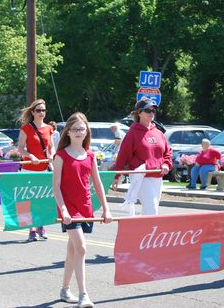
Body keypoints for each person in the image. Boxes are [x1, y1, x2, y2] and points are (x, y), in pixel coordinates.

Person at [53, 112, 113, 307]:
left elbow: (98, 184)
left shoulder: (90, 155)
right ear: (68, 132)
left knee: (73, 250)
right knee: (81, 247)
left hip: (85, 207)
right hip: (69, 209)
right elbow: (56, 186)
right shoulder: (60, 156)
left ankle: (64, 290)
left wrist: (106, 209)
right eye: (75, 129)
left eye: (82, 129)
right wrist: (64, 210)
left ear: (87, 131)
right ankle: (83, 295)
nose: (79, 132)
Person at [111, 97, 172, 216]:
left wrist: (166, 164)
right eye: (148, 110)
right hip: (142, 177)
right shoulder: (132, 133)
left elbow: (168, 152)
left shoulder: (158, 132)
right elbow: (123, 156)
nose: (151, 113)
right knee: (152, 210)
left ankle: (143, 233)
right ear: (139, 113)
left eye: (153, 110)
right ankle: (150, 233)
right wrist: (116, 175)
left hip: (158, 177)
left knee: (150, 210)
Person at [17, 99, 55, 242]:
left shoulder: (49, 128)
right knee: (28, 200)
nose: (41, 113)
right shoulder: (26, 128)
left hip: (43, 168)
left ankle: (41, 226)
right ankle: (31, 230)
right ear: (32, 112)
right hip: (28, 169)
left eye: (43, 110)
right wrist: (30, 155)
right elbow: (20, 149)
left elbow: (50, 147)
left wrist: (51, 157)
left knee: (41, 200)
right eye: (38, 110)